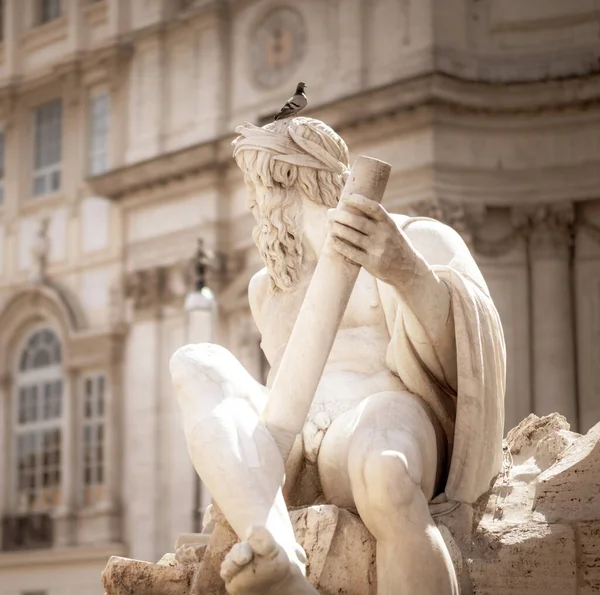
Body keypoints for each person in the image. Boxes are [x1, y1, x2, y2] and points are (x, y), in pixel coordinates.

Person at [170, 117, 506, 595]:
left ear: (287, 180)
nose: (252, 204)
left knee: (385, 470)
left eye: (257, 186)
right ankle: (276, 550)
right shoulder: (267, 289)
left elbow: (472, 365)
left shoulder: (414, 238)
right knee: (195, 362)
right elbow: (284, 400)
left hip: (381, 419)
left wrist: (406, 271)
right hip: (294, 444)